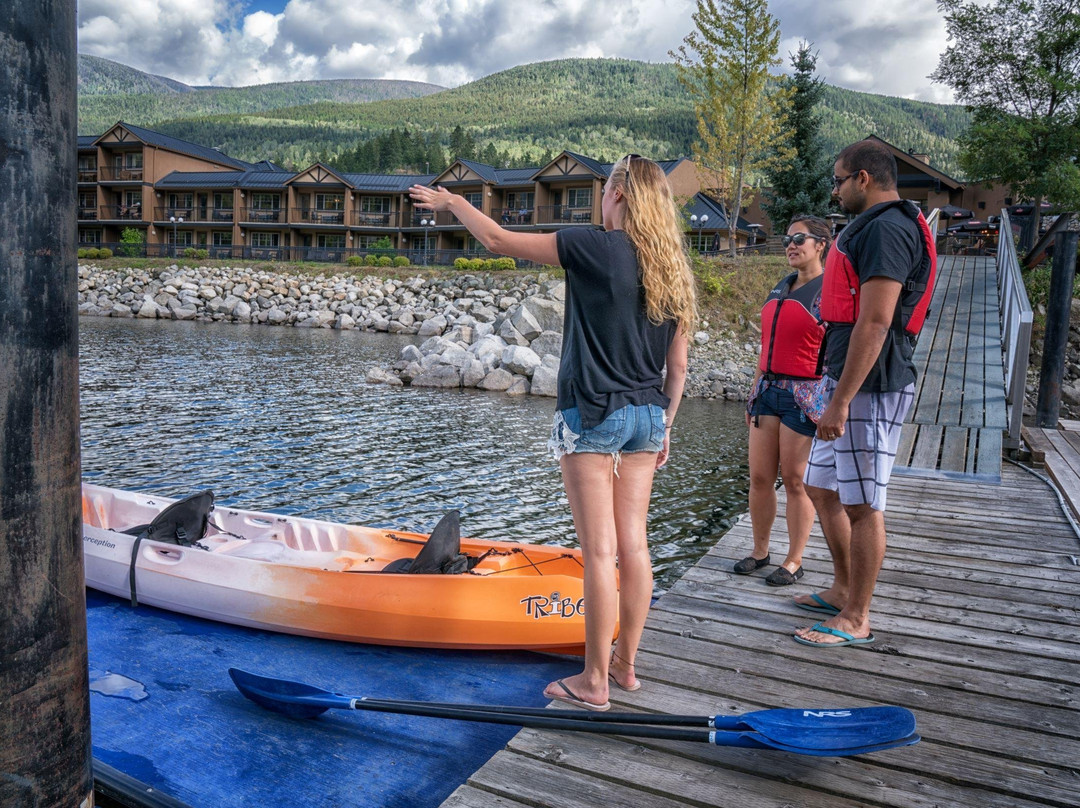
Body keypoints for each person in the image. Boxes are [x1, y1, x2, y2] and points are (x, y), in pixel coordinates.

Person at [410, 156, 695, 710]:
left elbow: (496, 240)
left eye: (603, 188)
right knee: (634, 546)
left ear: (617, 194)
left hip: (592, 414)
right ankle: (625, 667)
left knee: (599, 554)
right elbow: (678, 368)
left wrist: (453, 203)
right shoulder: (674, 267)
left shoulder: (595, 244)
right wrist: (666, 426)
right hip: (648, 416)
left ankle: (593, 682)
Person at [793, 139, 936, 647]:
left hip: (870, 387)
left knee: (863, 502)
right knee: (822, 488)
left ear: (863, 179)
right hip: (847, 382)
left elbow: (875, 322)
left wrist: (840, 401)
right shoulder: (875, 228)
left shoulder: (889, 232)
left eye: (838, 179)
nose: (834, 189)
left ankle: (857, 617)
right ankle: (841, 588)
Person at [737, 216, 829, 586]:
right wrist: (753, 392)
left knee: (795, 480)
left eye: (800, 238)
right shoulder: (782, 286)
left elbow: (839, 349)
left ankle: (794, 559)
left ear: (821, 244)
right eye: (788, 238)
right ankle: (761, 551)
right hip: (768, 392)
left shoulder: (828, 293)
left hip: (803, 394)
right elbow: (766, 346)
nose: (791, 244)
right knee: (759, 477)